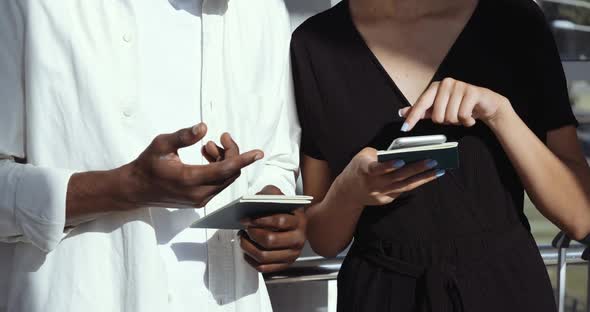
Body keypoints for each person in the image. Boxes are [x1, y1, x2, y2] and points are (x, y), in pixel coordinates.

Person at [0, 0, 306, 311]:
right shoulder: (32, 6)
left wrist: (273, 216)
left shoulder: (262, 10)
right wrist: (125, 187)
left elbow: (277, 161)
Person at [292, 0, 590, 310]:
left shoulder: (516, 20)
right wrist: (350, 191)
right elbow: (324, 239)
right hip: (380, 295)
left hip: (505, 291)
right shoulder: (314, 42)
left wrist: (500, 113)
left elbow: (580, 216)